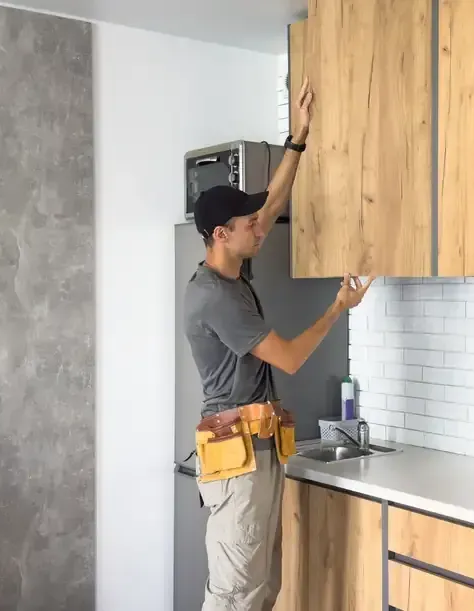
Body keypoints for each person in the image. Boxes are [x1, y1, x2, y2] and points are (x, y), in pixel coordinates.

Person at [183, 78, 375, 611]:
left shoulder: (233, 265)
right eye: (249, 224)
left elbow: (272, 203)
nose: (261, 227)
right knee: (234, 595)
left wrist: (298, 138)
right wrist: (338, 307)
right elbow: (289, 358)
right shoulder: (217, 298)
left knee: (263, 589)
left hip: (260, 447)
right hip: (237, 456)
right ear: (221, 235)